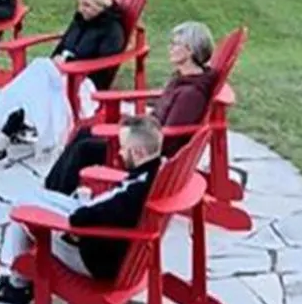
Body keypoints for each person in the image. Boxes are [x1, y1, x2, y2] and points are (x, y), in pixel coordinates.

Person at [0, 115, 165, 304]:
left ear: (139, 152)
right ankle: (19, 278)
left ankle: (18, 285)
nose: (120, 153)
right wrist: (86, 201)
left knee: (21, 211)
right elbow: (109, 207)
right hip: (109, 243)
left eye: (124, 148)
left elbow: (80, 220)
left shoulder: (134, 194)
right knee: (27, 197)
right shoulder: (154, 174)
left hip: (95, 259)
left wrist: (80, 212)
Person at [43, 21, 216, 194]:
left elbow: (167, 139)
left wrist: (128, 135)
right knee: (84, 132)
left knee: (84, 149)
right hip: (145, 137)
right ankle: (50, 187)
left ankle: (57, 196)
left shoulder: (190, 95)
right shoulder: (182, 78)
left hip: (146, 153)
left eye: (176, 44)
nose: (170, 47)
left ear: (191, 50)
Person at [0, 0, 129, 164]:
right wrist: (58, 60)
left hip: (84, 84)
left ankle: (2, 139)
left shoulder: (112, 29)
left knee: (38, 80)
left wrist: (69, 62)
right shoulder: (81, 19)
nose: (81, 9)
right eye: (80, 4)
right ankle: (7, 133)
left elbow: (105, 65)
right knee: (38, 75)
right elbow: (63, 45)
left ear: (101, 4)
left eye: (87, 5)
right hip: (62, 73)